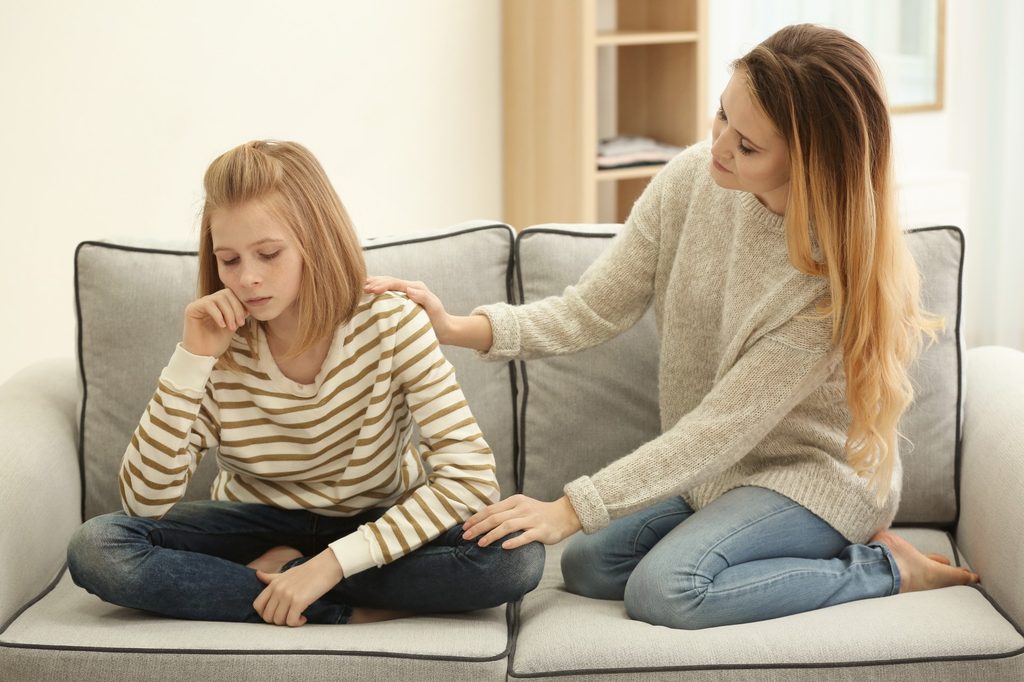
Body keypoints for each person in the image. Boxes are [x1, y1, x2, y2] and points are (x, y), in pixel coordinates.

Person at [364, 24, 979, 631]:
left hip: (813, 477)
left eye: (748, 147)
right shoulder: (692, 178)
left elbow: (712, 433)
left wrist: (569, 507)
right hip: (720, 476)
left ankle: (885, 570)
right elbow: (594, 308)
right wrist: (455, 327)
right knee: (588, 567)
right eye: (722, 117)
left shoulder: (824, 286)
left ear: (810, 166)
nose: (719, 148)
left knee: (667, 592)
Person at [66, 140, 544, 627]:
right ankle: (339, 607)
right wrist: (191, 359)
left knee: (514, 559)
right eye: (229, 260)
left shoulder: (393, 323)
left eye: (268, 253)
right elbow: (144, 501)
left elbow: (471, 479)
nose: (247, 278)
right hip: (251, 524)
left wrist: (327, 565)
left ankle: (289, 577)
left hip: (372, 521)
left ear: (315, 242)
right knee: (98, 548)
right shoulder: (216, 342)